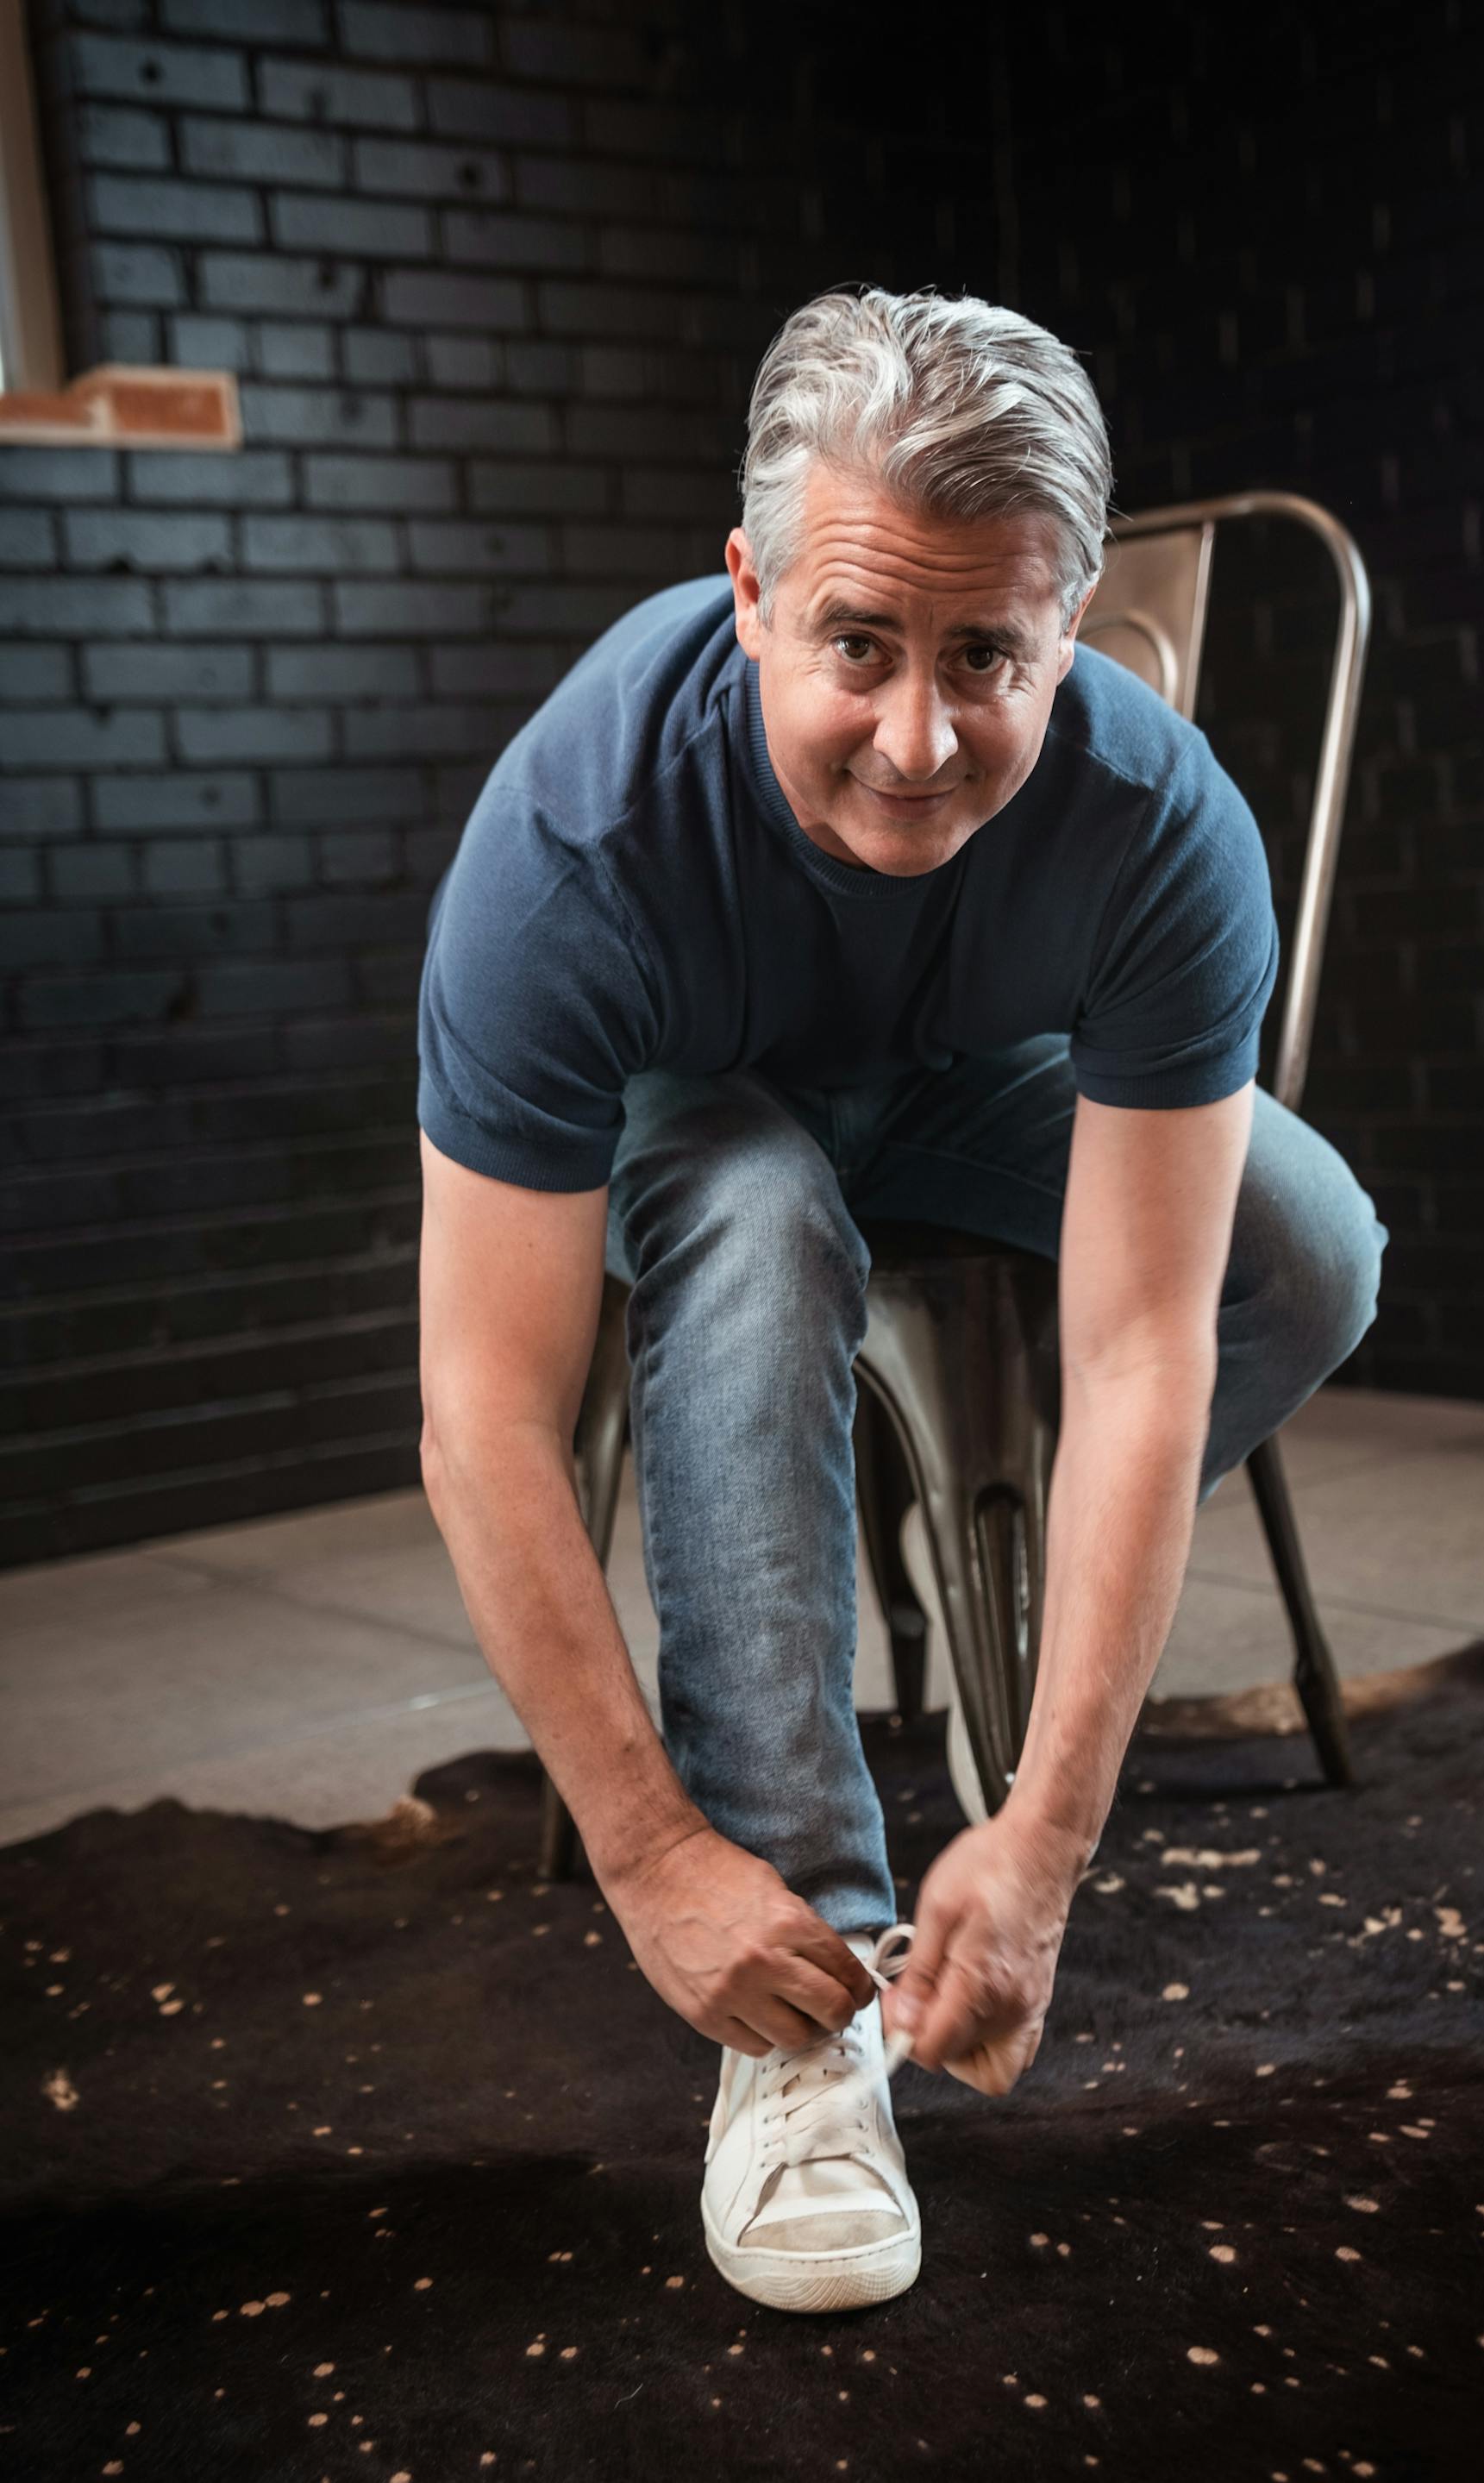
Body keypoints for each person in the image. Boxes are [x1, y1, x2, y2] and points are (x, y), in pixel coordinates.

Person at [415, 283, 1387, 2314]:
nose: (923, 738)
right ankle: (809, 2007)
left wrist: (1046, 1828)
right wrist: (653, 1859)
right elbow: (483, 1413)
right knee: (760, 1220)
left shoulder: (1157, 827)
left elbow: (1146, 1345)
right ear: (752, 592)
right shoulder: (573, 848)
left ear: (1077, 626)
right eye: (858, 643)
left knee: (1310, 1250)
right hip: (709, 1093)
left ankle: (1008, 1622)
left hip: (979, 1073)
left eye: (989, 658)